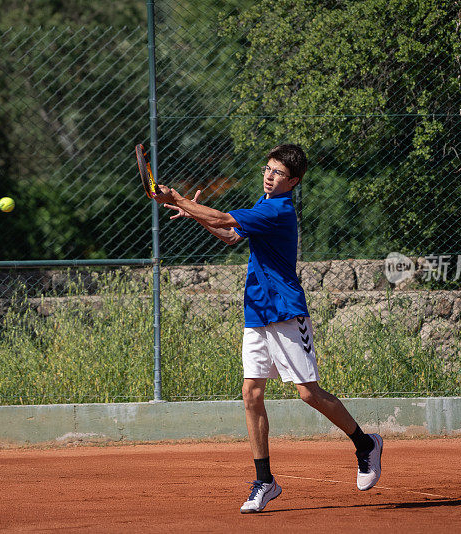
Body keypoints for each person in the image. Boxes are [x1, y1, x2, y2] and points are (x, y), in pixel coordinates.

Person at [151, 144, 383, 514]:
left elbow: (226, 220)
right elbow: (230, 235)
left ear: (293, 181)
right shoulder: (262, 205)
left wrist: (180, 198)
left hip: (286, 311)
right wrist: (194, 213)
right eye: (267, 168)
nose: (269, 175)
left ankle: (365, 444)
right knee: (251, 393)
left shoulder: (279, 210)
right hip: (257, 311)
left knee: (308, 394)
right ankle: (265, 482)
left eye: (277, 172)